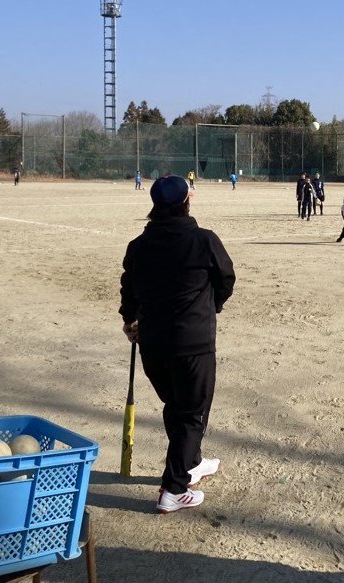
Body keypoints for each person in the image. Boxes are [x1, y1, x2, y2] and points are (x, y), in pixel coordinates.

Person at [119, 175, 235, 513]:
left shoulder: (138, 246)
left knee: (176, 406)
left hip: (153, 345)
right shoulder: (204, 240)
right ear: (186, 201)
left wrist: (129, 319)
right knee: (191, 414)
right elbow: (226, 279)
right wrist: (212, 305)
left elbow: (129, 288)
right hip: (193, 345)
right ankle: (173, 489)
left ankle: (191, 462)